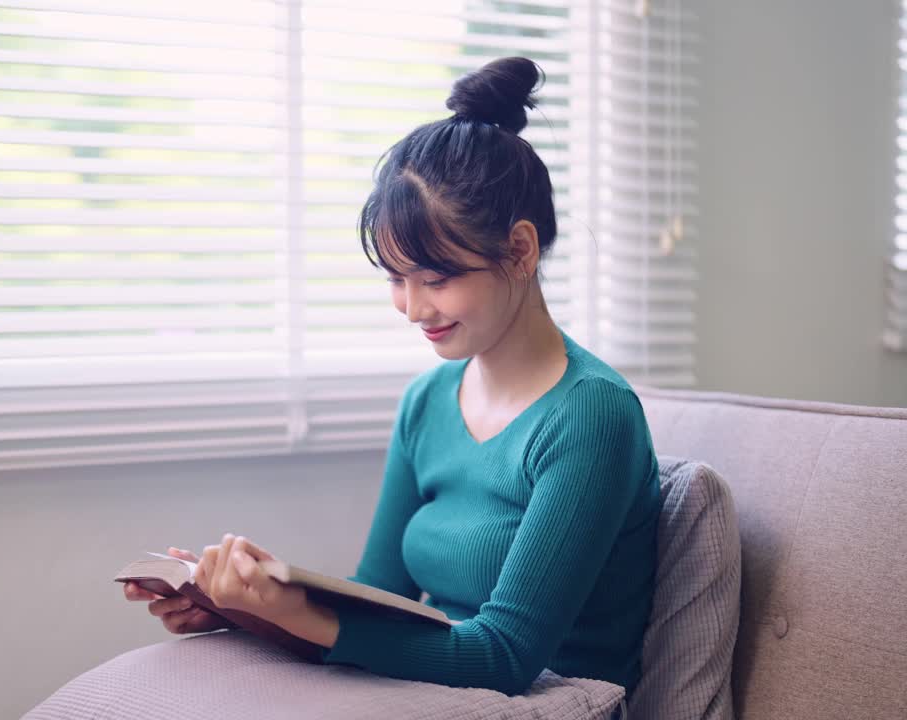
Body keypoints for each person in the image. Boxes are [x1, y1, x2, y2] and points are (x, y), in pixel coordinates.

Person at [123, 56, 661, 697]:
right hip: (435, 695)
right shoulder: (428, 400)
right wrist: (243, 611)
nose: (412, 308)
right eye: (396, 279)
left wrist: (293, 613)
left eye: (436, 279)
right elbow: (380, 600)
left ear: (519, 251)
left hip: (558, 702)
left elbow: (504, 658)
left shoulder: (591, 415)